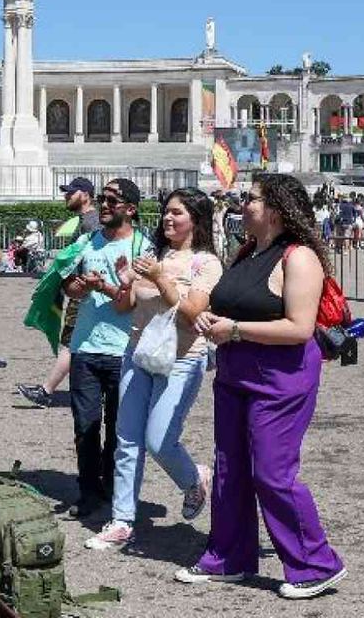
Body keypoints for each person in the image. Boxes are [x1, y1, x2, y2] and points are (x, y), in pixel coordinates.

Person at [179, 173, 346, 600]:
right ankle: (228, 557)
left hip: (281, 377)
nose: (241, 204)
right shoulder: (248, 251)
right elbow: (226, 305)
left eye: (250, 199)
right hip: (236, 374)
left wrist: (233, 329)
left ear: (274, 208)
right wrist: (208, 319)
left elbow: (299, 328)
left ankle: (316, 563)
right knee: (230, 470)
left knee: (272, 473)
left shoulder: (300, 256)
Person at [85, 188, 222, 551]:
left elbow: (194, 313)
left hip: (182, 359)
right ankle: (122, 520)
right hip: (138, 353)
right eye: (166, 212)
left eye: (177, 213)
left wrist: (161, 277)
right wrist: (120, 283)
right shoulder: (151, 253)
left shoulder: (206, 263)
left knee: (159, 440)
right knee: (126, 440)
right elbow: (124, 307)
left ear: (196, 218)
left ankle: (195, 479)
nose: (168, 218)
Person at [60, 178, 152, 520]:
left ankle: (116, 493)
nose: (105, 205)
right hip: (84, 347)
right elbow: (67, 284)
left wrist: (109, 287)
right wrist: (80, 287)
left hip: (124, 351)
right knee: (84, 427)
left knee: (119, 430)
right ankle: (89, 494)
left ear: (131, 208)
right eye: (102, 199)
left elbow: (129, 305)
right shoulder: (86, 240)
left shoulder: (142, 248)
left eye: (113, 200)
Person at [18, 177, 100, 408]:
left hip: (86, 290)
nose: (66, 196)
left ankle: (46, 390)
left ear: (85, 194)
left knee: (72, 342)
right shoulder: (85, 220)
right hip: (84, 289)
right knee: (77, 343)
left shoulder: (90, 222)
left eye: (70, 193)